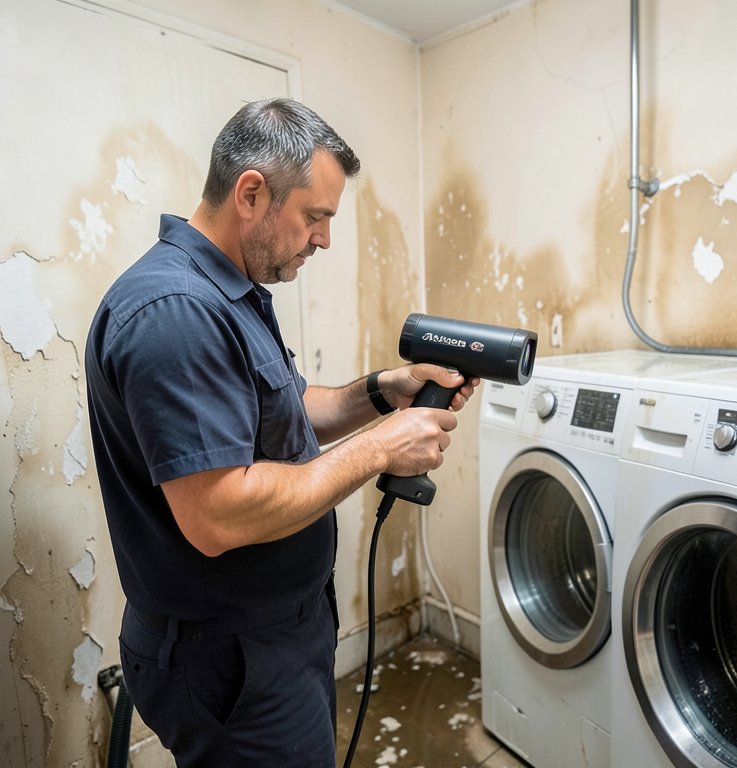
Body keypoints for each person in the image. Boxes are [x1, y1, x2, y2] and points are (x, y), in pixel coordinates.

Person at [84, 98, 478, 767]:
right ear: (251, 194)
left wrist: (384, 391)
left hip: (279, 632)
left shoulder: (227, 291)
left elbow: (289, 408)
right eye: (315, 216)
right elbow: (218, 513)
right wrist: (383, 447)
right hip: (229, 656)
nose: (324, 239)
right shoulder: (175, 311)